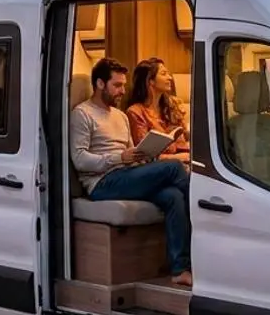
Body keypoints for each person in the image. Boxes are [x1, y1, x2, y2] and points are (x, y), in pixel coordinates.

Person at [70, 57, 193, 287]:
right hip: (102, 183)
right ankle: (208, 211)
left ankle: (180, 269)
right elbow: (79, 160)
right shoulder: (82, 114)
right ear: (99, 84)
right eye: (117, 85)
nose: (122, 91)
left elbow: (130, 151)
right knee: (174, 167)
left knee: (173, 197)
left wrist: (142, 155)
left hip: (126, 174)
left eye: (123, 85)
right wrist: (119, 158)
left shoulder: (119, 116)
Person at [125, 57, 190, 165]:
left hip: (185, 160)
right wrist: (177, 158)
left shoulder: (172, 106)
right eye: (164, 74)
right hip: (159, 167)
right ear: (150, 81)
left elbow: (183, 141)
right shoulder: (135, 112)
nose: (170, 78)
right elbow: (144, 155)